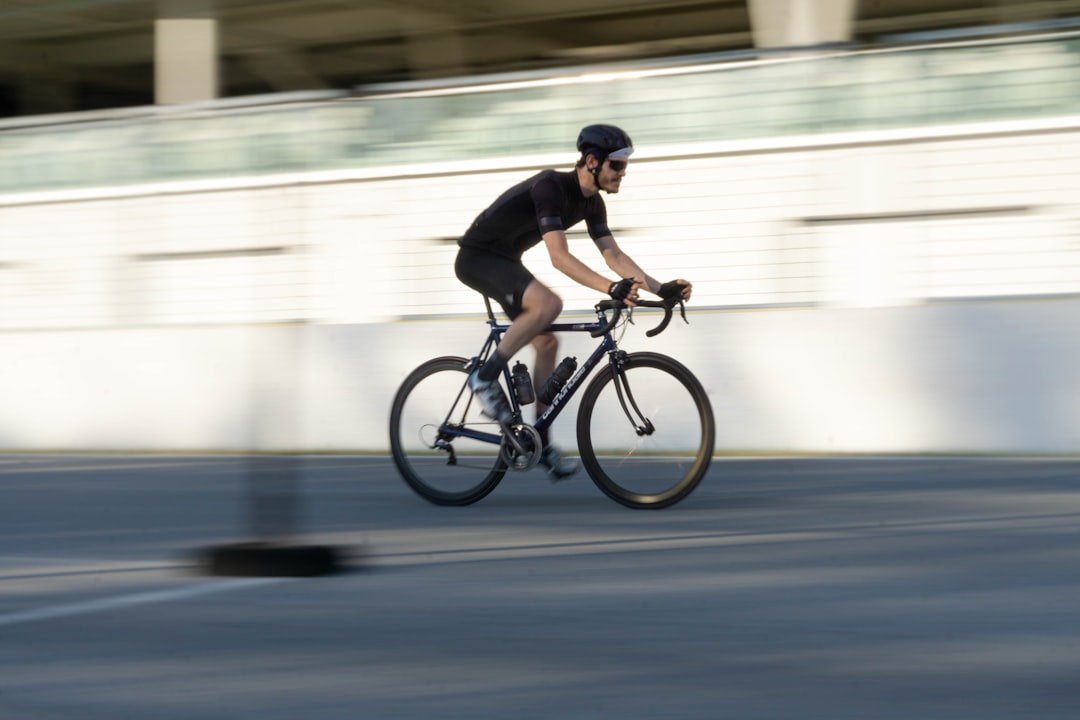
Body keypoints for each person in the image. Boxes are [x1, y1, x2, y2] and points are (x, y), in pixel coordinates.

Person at [454, 123, 692, 479]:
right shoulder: (551, 187)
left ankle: (540, 443)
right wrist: (611, 288)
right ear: (592, 161)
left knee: (548, 341)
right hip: (478, 258)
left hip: (504, 261)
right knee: (549, 304)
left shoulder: (591, 203)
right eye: (617, 165)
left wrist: (661, 289)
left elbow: (612, 253)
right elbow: (559, 257)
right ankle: (484, 379)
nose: (622, 174)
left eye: (624, 166)